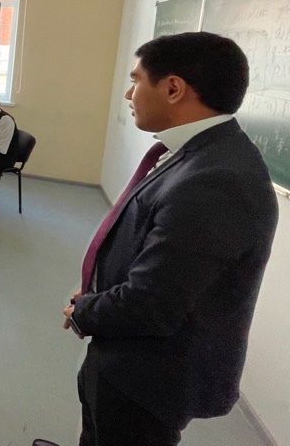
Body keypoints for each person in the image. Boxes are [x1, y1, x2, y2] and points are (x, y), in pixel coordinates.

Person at [37, 33, 279, 446]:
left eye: (136, 81)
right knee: (97, 426)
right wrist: (98, 288)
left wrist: (84, 309)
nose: (128, 94)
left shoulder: (216, 179)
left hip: (149, 378)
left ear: (173, 88)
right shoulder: (202, 153)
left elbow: (151, 305)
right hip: (130, 357)